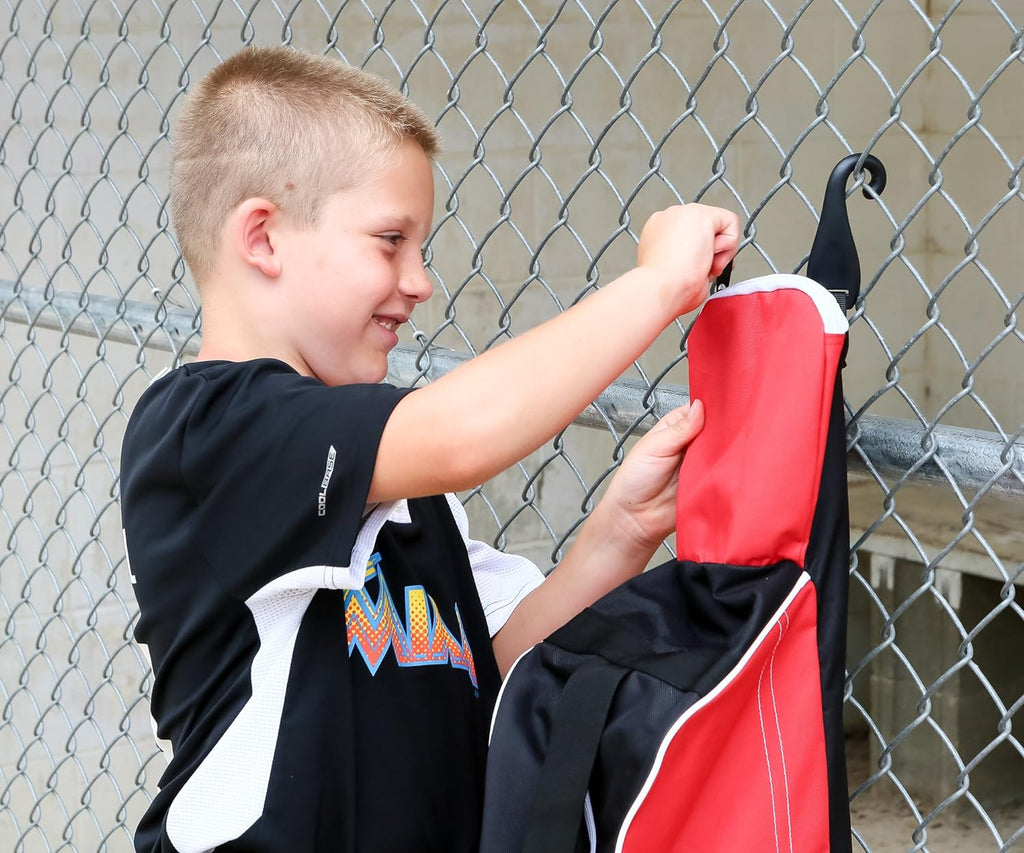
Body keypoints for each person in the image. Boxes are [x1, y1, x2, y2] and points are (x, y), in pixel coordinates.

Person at [119, 45, 738, 853]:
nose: (420, 280)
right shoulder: (207, 431)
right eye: (390, 240)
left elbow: (501, 653)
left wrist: (619, 532)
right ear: (264, 238)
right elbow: (459, 433)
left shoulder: (398, 489)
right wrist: (659, 285)